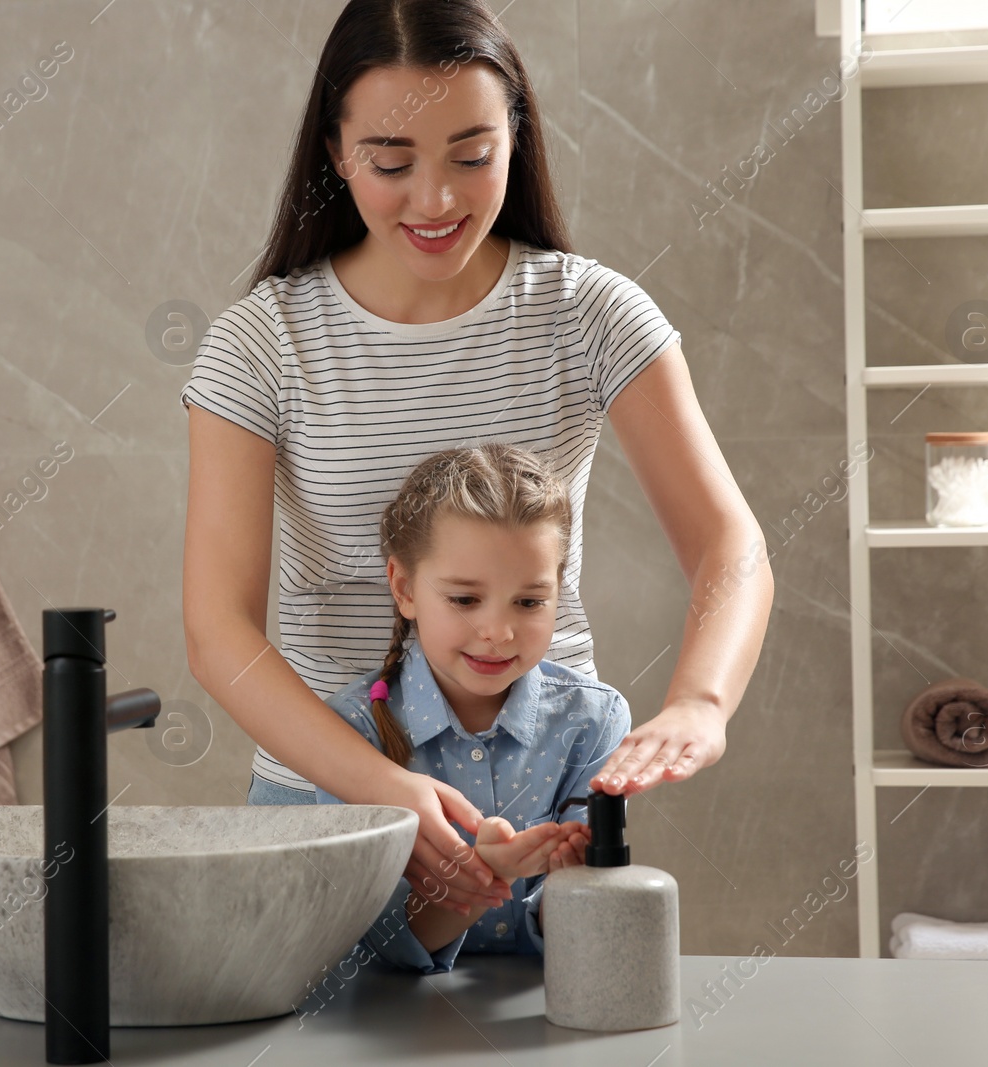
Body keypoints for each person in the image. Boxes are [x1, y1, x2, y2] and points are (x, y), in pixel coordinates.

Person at [181, 0, 771, 920]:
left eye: (471, 156)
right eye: (391, 161)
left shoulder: (590, 314)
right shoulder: (262, 343)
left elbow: (729, 544)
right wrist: (384, 784)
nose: (436, 199)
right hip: (325, 805)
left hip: (540, 796)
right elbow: (219, 632)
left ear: (515, 137)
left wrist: (701, 702)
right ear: (336, 150)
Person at [313, 443, 630, 972]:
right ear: (404, 587)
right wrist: (487, 876)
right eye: (464, 600)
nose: (498, 633)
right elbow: (378, 942)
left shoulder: (594, 721)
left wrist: (579, 880)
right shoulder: (347, 733)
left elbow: (584, 938)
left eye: (529, 602)